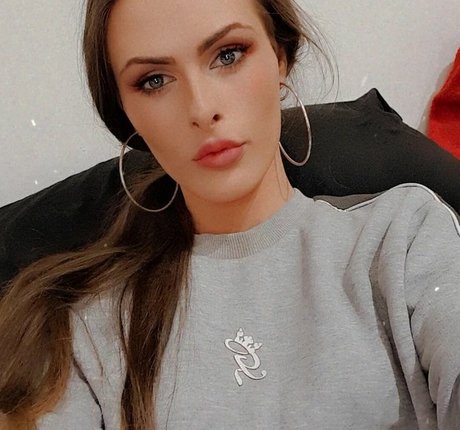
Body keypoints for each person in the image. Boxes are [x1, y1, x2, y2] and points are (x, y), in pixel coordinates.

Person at [0, 0, 459, 429]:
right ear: (125, 114)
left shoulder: (404, 240)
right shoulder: (77, 324)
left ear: (281, 55)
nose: (202, 109)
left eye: (228, 55)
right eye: (154, 80)